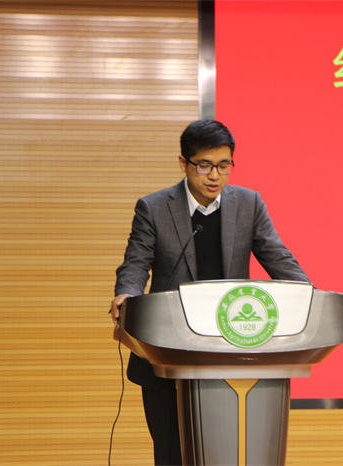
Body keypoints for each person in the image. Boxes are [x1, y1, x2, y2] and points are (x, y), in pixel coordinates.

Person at [109, 119, 310, 465]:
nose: (214, 176)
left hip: (229, 351)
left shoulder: (248, 203)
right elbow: (136, 263)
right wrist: (126, 294)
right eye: (204, 166)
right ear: (184, 163)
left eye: (223, 165)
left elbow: (277, 257)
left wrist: (308, 294)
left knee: (229, 452)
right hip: (167, 351)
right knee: (171, 455)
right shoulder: (154, 208)